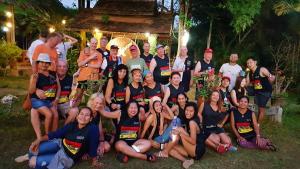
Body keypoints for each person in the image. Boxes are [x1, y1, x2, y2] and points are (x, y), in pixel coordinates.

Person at [15, 107, 102, 168]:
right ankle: (28, 156)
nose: (83, 117)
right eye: (81, 114)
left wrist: (94, 161)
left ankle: (35, 158)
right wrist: (39, 140)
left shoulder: (93, 129)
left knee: (32, 163)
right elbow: (55, 134)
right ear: (77, 116)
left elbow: (93, 145)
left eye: (87, 115)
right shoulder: (72, 125)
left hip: (68, 157)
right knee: (33, 149)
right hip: (60, 144)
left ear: (90, 119)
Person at [29, 53, 60, 139]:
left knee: (56, 115)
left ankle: (55, 135)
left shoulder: (53, 74)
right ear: (38, 63)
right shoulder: (35, 75)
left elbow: (59, 87)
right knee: (49, 114)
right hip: (37, 100)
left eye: (46, 62)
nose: (44, 64)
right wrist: (34, 82)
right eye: (42, 62)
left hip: (49, 101)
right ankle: (47, 135)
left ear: (49, 64)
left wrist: (57, 98)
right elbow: (31, 91)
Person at [73, 38, 103, 106]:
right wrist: (90, 58)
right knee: (78, 96)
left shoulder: (99, 54)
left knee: (91, 98)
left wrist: (86, 64)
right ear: (90, 43)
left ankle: (89, 113)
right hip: (83, 77)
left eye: (95, 43)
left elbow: (98, 65)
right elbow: (79, 64)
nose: (94, 45)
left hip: (93, 78)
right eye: (93, 43)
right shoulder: (83, 52)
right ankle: (74, 110)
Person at [246, 57, 275, 124]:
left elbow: (271, 77)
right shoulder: (249, 73)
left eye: (250, 62)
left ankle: (257, 125)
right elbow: (246, 84)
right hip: (256, 91)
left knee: (261, 109)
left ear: (255, 62)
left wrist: (271, 78)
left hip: (265, 92)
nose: (249, 64)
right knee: (243, 89)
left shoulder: (261, 69)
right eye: (247, 63)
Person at [56, 60, 78, 124]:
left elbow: (74, 93)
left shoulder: (71, 79)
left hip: (65, 104)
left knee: (75, 110)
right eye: (59, 66)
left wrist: (73, 102)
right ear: (56, 67)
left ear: (67, 68)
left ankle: (64, 129)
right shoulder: (51, 78)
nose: (62, 68)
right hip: (53, 104)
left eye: (64, 66)